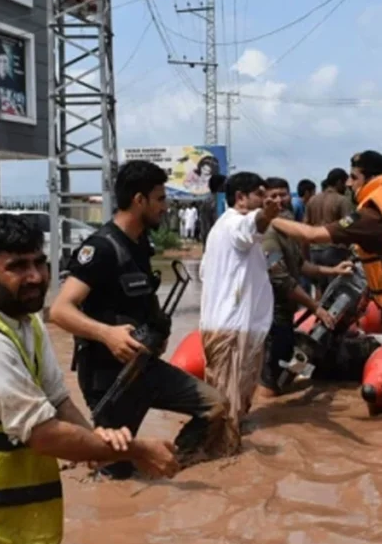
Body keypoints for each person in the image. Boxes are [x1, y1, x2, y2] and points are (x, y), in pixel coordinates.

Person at [0, 214, 177, 544]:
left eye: (40, 263)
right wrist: (133, 450)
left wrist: (96, 443)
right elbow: (44, 435)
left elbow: (57, 398)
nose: (35, 277)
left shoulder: (27, 320)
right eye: (17, 267)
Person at [50, 161, 232, 480]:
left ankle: (171, 466)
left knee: (215, 405)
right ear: (139, 200)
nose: (165, 207)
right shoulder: (102, 248)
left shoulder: (141, 245)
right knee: (115, 471)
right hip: (109, 376)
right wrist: (106, 334)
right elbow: (60, 310)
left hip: (146, 366)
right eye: (160, 199)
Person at [270, 150, 382, 424]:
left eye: (354, 177)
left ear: (372, 178)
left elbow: (313, 234)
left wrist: (266, 218)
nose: (350, 184)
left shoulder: (370, 216)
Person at [199, 172, 280, 432]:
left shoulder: (222, 230)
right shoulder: (234, 224)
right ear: (240, 198)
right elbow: (250, 226)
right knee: (226, 408)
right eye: (260, 195)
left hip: (236, 327)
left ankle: (230, 454)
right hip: (231, 330)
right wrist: (266, 215)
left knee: (236, 403)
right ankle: (221, 459)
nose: (265, 200)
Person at [258, 178, 353, 397]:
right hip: (272, 312)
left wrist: (334, 270)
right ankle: (269, 410)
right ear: (264, 201)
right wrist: (315, 306)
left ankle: (296, 389)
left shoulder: (290, 229)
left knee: (288, 359)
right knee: (271, 378)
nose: (280, 200)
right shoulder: (270, 232)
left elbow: (300, 265)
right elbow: (281, 278)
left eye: (283, 194)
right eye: (273, 196)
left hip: (286, 313)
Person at [305, 168, 355, 294]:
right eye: (344, 183)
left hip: (314, 250)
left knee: (320, 290)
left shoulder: (312, 200)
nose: (346, 187)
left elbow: (305, 225)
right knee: (337, 291)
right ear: (338, 182)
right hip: (334, 249)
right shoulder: (342, 200)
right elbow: (347, 225)